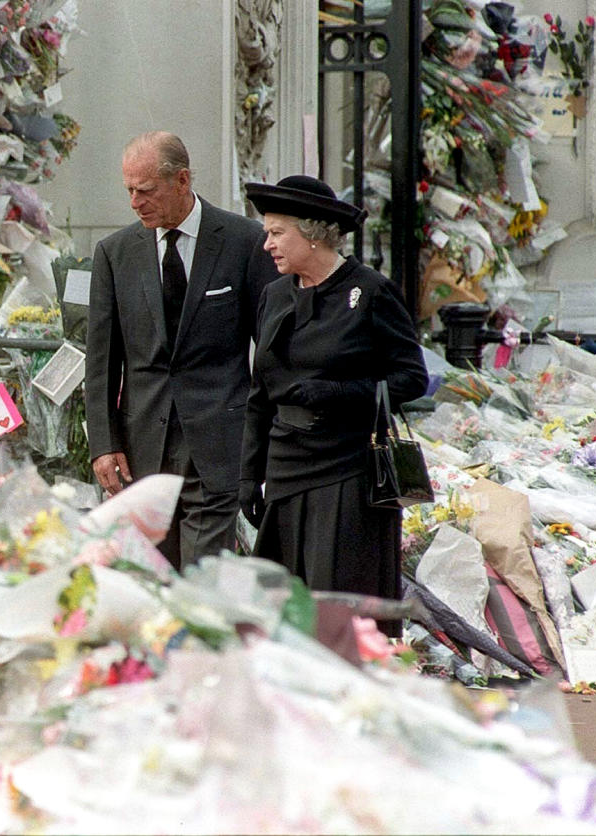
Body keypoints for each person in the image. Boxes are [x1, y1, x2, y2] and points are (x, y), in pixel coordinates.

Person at [239, 175, 428, 630]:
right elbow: (259, 394)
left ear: (314, 233)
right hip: (287, 471)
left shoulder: (370, 292)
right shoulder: (274, 295)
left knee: (339, 614)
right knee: (282, 614)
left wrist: (339, 393)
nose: (267, 245)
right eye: (267, 233)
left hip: (347, 474)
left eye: (276, 233)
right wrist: (249, 474)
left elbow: (412, 378)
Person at [85, 131, 277, 568]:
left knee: (202, 581)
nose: (135, 202)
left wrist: (262, 442)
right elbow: (100, 363)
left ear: (182, 180)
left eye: (146, 190)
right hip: (141, 449)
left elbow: (268, 351)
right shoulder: (114, 254)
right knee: (150, 582)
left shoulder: (244, 242)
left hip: (218, 444)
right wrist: (103, 443)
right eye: (129, 190)